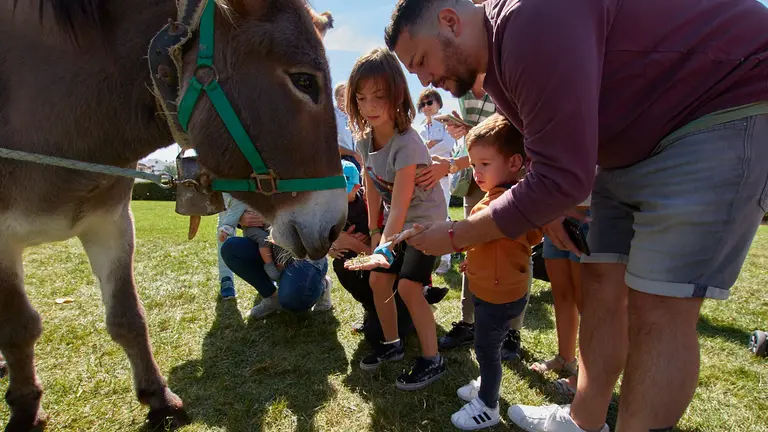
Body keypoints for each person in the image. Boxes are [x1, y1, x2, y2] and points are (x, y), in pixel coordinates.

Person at [385, 0, 768, 430]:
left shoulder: (529, 20)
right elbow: (547, 158)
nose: (424, 79)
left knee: (659, 309)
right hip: (630, 149)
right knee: (601, 284)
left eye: (420, 61)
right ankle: (584, 421)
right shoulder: (497, 64)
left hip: (717, 105)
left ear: (450, 21)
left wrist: (456, 235)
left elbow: (562, 177)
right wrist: (548, 209)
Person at [343, 47, 448, 390]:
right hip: (395, 225)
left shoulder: (408, 142)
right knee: (378, 281)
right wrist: (375, 234)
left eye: (378, 96)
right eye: (361, 98)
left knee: (408, 286)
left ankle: (433, 359)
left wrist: (382, 248)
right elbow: (373, 187)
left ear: (398, 95)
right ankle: (392, 346)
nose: (369, 106)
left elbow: (401, 206)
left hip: (425, 223)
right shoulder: (363, 141)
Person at [419, 74, 527, 363]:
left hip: (507, 179)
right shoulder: (464, 92)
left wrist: (453, 164)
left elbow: (505, 138)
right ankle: (470, 323)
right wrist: (464, 136)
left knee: (513, 247)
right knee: (473, 243)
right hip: (475, 181)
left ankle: (511, 331)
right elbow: (479, 143)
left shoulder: (507, 81)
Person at [449, 113, 541, 430]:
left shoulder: (503, 204)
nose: (476, 173)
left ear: (515, 162)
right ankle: (487, 382)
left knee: (487, 349)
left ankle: (488, 404)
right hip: (496, 290)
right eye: (473, 165)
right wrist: (473, 261)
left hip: (498, 296)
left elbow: (497, 234)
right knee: (488, 347)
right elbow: (499, 246)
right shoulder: (500, 200)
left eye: (484, 164)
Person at [530, 196, 591, 399]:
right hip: (553, 211)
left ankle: (586, 376)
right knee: (561, 293)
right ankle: (565, 358)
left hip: (587, 211)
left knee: (586, 301)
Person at [220, 211, 333, 319]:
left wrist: (272, 217)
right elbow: (239, 204)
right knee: (231, 249)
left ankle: (323, 285)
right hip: (267, 244)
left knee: (293, 300)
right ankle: (271, 297)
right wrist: (241, 218)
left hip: (303, 251)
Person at [416, 88, 456, 274]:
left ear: (438, 103)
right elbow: (416, 152)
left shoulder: (446, 122)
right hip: (425, 176)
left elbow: (448, 145)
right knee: (428, 215)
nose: (426, 107)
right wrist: (428, 147)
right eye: (423, 104)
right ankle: (431, 254)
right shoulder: (420, 128)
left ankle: (445, 259)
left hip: (443, 175)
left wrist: (429, 148)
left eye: (429, 102)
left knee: (444, 214)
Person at [218, 198, 281, 281]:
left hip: (267, 224)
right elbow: (233, 214)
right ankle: (269, 264)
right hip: (252, 228)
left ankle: (281, 266)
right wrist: (225, 231)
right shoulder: (241, 200)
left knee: (278, 236)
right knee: (264, 239)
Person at [334, 82, 362, 170]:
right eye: (342, 96)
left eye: (347, 96)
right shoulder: (332, 115)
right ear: (336, 98)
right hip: (339, 161)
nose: (344, 99)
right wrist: (353, 154)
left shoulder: (353, 117)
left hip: (355, 162)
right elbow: (330, 145)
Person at [216, 193, 238, 299]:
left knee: (258, 217)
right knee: (225, 223)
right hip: (225, 179)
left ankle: (265, 276)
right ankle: (226, 278)